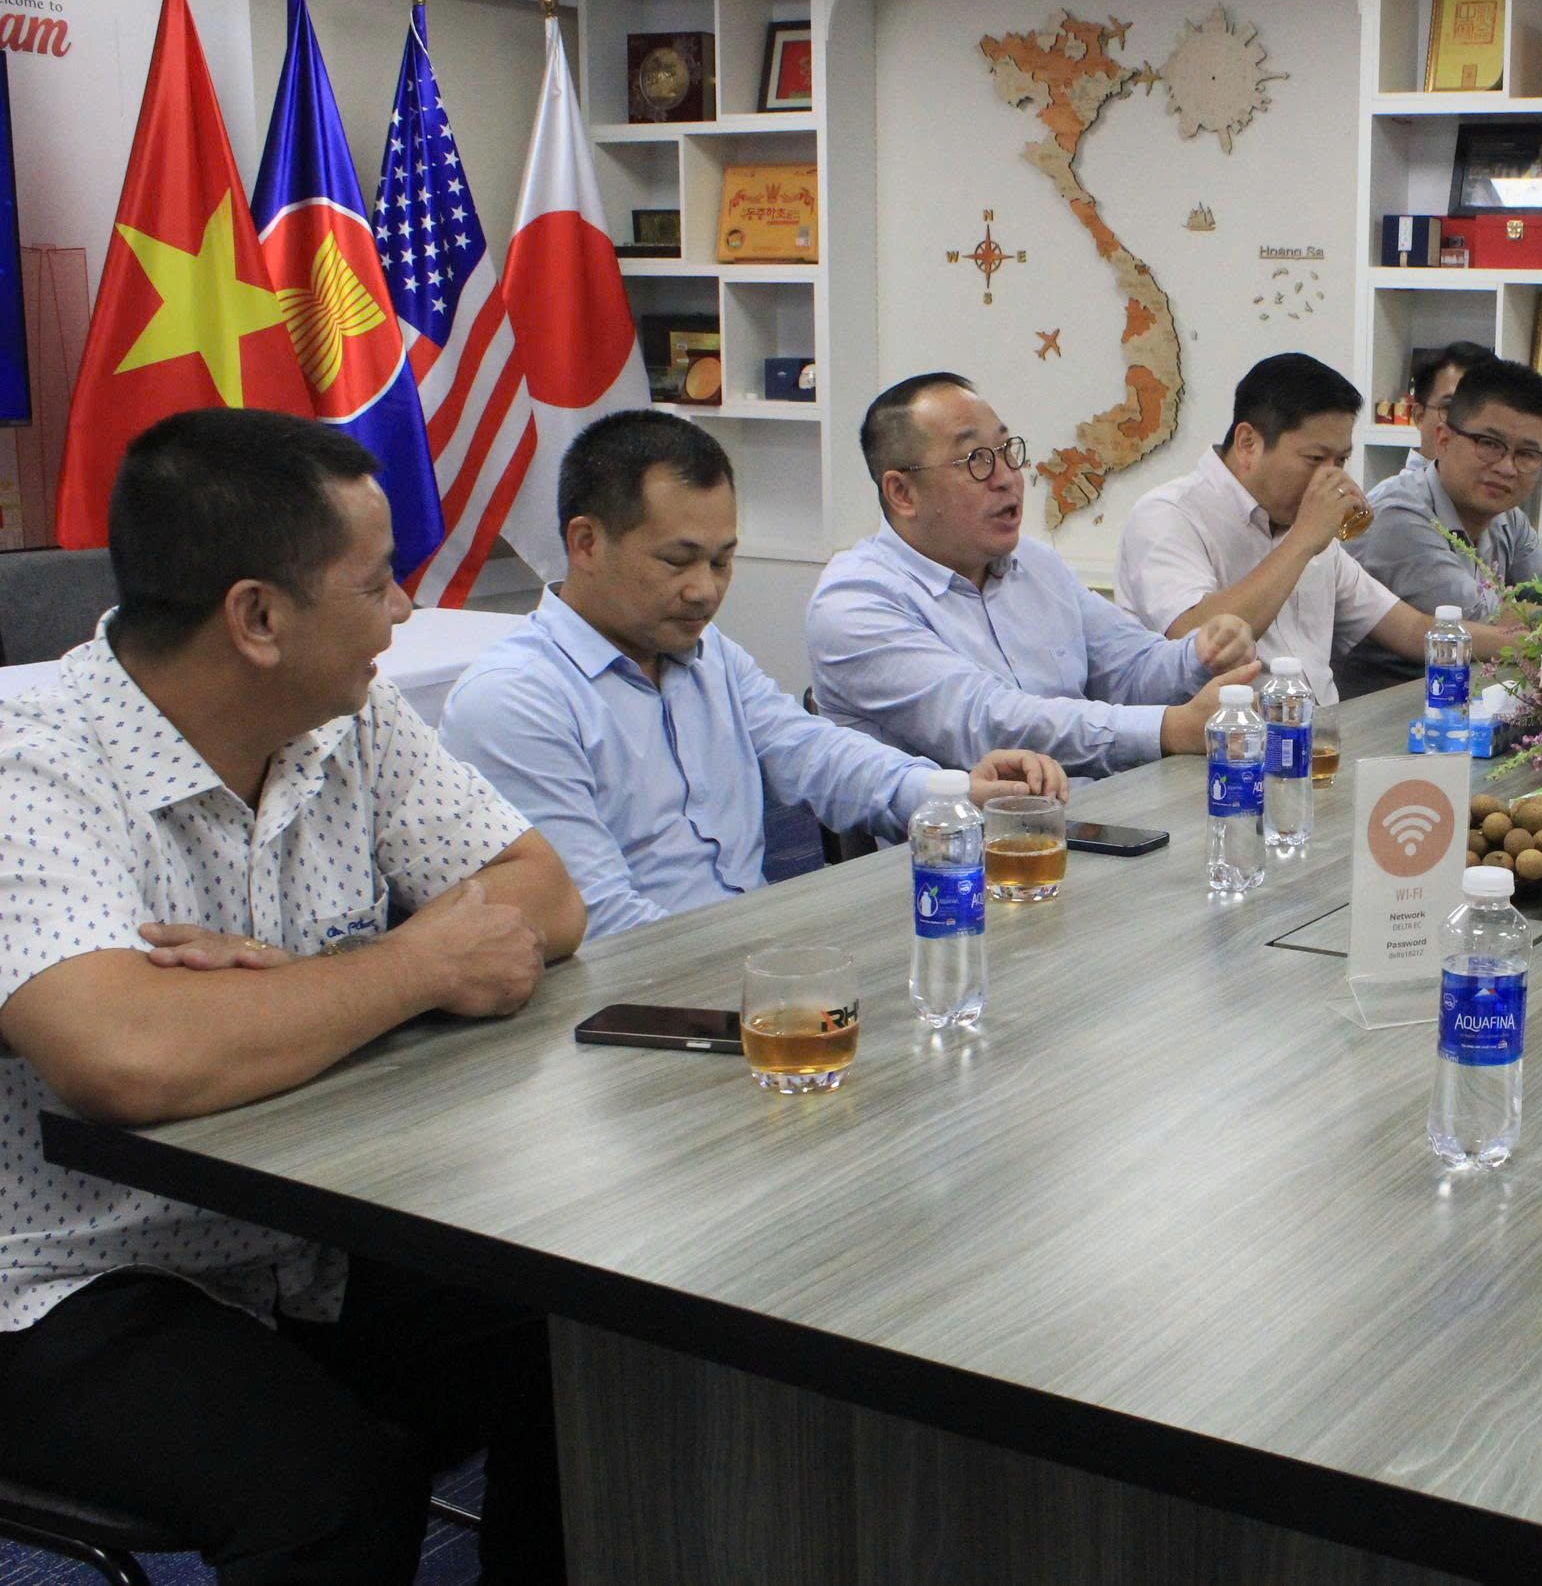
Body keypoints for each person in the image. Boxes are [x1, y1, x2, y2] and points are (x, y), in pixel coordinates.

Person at [0, 409, 587, 1583]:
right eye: (375, 584)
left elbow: (543, 895)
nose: (404, 611)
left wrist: (308, 993)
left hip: (301, 1232)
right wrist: (410, 968)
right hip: (63, 1275)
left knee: (582, 1342)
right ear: (258, 618)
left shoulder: (345, 716)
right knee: (331, 1491)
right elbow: (121, 1058)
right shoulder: (33, 759)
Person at [440, 411, 1065, 941]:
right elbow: (600, 925)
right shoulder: (515, 700)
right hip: (636, 1010)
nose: (704, 590)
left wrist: (955, 792)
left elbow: (813, 753)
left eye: (722, 561)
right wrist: (772, 970)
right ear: (585, 543)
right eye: (678, 561)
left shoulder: (706, 652)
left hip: (741, 966)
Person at [806, 373, 1259, 780]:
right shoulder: (855, 602)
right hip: (959, 841)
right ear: (902, 493)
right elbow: (990, 723)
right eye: (976, 460)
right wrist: (1169, 729)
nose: (1008, 478)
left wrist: (1200, 653)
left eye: (1007, 451)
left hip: (1091, 821)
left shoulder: (1036, 564)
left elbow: (1129, 669)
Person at [1114, 353, 1517, 705]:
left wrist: (1535, 646)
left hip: (1317, 738)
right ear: (1248, 443)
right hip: (1220, 750)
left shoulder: (1307, 529)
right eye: (1315, 459)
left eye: (1340, 461)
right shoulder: (1168, 515)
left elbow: (1411, 629)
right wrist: (1303, 540)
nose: (1331, 478)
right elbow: (1197, 642)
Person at [1341, 356, 1542, 697]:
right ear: (1444, 439)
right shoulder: (1397, 514)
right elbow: (1481, 619)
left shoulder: (1507, 517)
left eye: (1526, 454)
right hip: (1376, 709)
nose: (1507, 467)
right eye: (1489, 444)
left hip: (1456, 702)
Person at [1400, 337, 1497, 473]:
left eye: (1483, 412)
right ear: (1419, 416)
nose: (1470, 426)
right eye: (1452, 408)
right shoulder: (1401, 487)